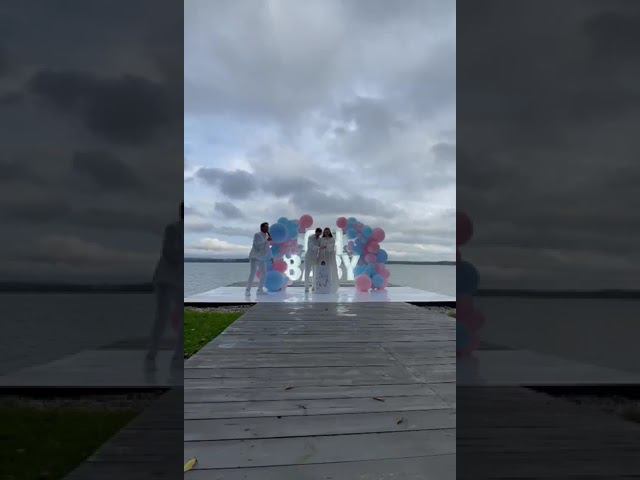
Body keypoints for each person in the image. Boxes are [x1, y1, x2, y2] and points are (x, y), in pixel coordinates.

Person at [146, 202, 183, 371]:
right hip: (167, 278)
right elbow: (168, 252)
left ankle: (177, 353)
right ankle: (153, 351)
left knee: (176, 316)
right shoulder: (173, 228)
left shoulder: (175, 229)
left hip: (176, 278)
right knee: (162, 316)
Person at [246, 222, 271, 296]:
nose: (267, 228)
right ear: (262, 227)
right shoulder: (257, 235)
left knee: (264, 273)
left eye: (268, 227)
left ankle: (260, 290)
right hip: (254, 257)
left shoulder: (266, 236)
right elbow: (258, 245)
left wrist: (270, 257)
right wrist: (267, 240)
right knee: (252, 273)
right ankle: (247, 290)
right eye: (266, 227)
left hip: (262, 258)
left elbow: (267, 248)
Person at [315, 227, 339, 293]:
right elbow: (319, 247)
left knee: (331, 270)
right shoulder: (321, 239)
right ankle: (321, 285)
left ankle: (332, 285)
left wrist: (326, 246)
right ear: (324, 232)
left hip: (330, 257)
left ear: (329, 232)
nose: (326, 233)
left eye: (328, 231)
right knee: (322, 270)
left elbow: (331, 247)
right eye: (325, 232)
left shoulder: (332, 239)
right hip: (322, 256)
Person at [304, 227, 322, 293]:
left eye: (320, 233)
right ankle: (306, 287)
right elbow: (311, 246)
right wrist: (319, 247)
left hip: (315, 258)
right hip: (308, 257)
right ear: (316, 232)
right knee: (307, 272)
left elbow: (321, 247)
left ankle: (314, 286)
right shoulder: (310, 237)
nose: (319, 234)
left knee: (315, 273)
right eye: (318, 233)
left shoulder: (320, 239)